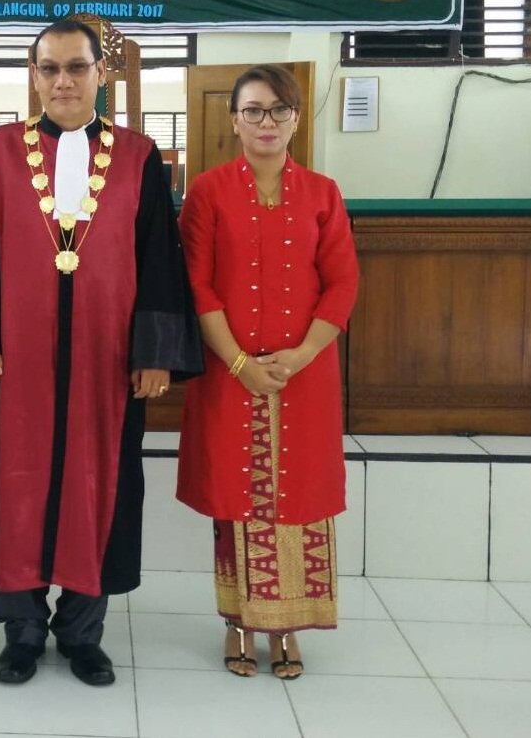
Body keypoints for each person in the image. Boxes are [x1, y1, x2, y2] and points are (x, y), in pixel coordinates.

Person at [0, 16, 202, 686]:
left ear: (100, 74)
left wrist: (154, 350)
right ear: (34, 76)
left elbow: (159, 257)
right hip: (19, 358)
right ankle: (22, 631)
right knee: (19, 487)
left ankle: (82, 632)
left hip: (108, 359)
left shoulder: (139, 155)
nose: (62, 81)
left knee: (101, 487)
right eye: (50, 68)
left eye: (76, 67)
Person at [175, 64, 359, 680]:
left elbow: (342, 282)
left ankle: (288, 630)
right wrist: (238, 364)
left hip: (304, 377)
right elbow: (198, 285)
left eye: (279, 109)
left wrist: (301, 356)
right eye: (253, 110)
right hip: (229, 375)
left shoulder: (323, 193)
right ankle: (238, 623)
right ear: (234, 120)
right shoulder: (208, 192)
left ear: (296, 119)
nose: (266, 121)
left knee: (301, 498)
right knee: (237, 499)